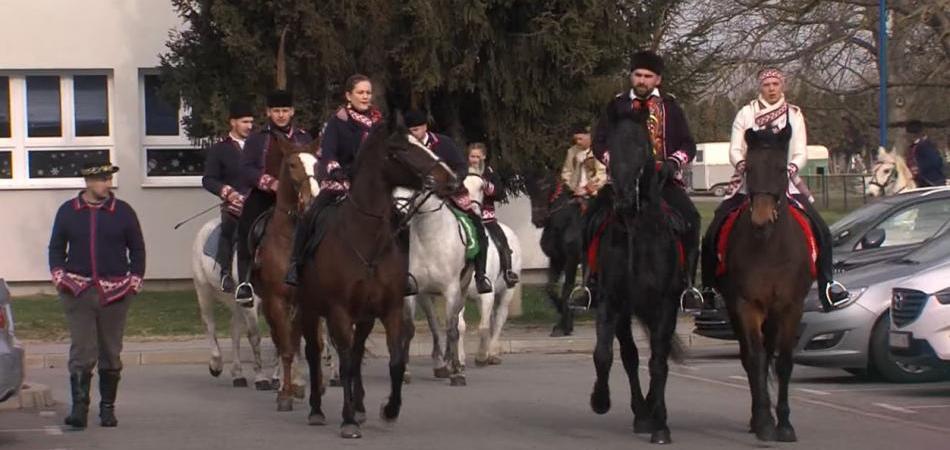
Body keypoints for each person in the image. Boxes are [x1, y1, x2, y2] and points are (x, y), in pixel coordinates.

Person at [700, 68, 849, 312]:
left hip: (784, 182)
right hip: (751, 181)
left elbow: (800, 151)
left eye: (775, 84)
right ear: (761, 87)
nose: (771, 88)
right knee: (714, 228)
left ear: (782, 86)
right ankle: (706, 289)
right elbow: (735, 148)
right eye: (767, 84)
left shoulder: (794, 115)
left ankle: (827, 286)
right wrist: (743, 165)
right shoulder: (746, 113)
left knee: (821, 229)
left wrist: (789, 169)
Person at [590, 50, 702, 306]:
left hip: (662, 182)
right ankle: (590, 282)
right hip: (622, 183)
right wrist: (615, 162)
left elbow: (688, 144)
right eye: (637, 75)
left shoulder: (670, 107)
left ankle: (688, 286)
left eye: (648, 76)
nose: (642, 80)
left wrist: (673, 162)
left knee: (692, 219)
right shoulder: (616, 105)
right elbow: (599, 142)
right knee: (592, 220)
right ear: (631, 76)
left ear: (657, 80)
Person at [48, 160, 146, 429]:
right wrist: (59, 277)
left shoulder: (123, 212)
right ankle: (79, 409)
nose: (107, 183)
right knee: (82, 351)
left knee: (111, 351)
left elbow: (137, 249)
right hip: (77, 290)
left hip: (115, 292)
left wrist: (135, 280)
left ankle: (107, 408)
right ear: (89, 182)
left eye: (108, 178)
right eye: (102, 179)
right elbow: (56, 248)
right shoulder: (68, 211)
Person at [284, 75, 399, 289]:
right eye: (360, 92)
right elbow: (327, 153)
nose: (365, 96)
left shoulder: (379, 123)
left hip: (370, 187)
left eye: (368, 92)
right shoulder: (337, 122)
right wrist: (335, 170)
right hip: (339, 183)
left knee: (399, 217)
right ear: (348, 95)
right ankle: (295, 265)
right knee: (310, 216)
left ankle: (402, 271)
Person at [234, 90, 312, 305]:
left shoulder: (304, 137)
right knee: (246, 227)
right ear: (268, 112)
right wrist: (270, 183)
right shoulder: (257, 139)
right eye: (276, 111)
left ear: (292, 112)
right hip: (264, 196)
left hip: (298, 196)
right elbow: (246, 169)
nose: (281, 115)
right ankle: (245, 283)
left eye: (285, 110)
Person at [201, 101, 254, 293]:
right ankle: (225, 273)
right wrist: (228, 192)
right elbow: (208, 179)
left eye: (251, 122)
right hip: (234, 206)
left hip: (259, 202)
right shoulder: (220, 149)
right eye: (244, 122)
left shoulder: (259, 146)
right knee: (230, 228)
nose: (249, 126)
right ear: (233, 122)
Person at [468, 142, 519, 287]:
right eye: (472, 156)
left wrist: (486, 185)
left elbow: (500, 193)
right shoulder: (463, 171)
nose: (475, 160)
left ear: (483, 156)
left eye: (478, 156)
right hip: (466, 214)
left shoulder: (490, 173)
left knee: (501, 240)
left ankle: (508, 271)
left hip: (486, 215)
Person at [560, 124, 607, 199]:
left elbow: (602, 174)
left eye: (580, 139)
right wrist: (572, 187)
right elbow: (566, 172)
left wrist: (587, 189)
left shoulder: (597, 150)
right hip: (575, 193)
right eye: (575, 139)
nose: (578, 142)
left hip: (594, 194)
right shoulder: (572, 151)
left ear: (589, 136)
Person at [905, 120, 946, 187]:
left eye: (908, 134)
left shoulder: (926, 146)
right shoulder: (912, 147)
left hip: (931, 181)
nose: (906, 137)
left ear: (913, 134)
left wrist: (918, 167)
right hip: (918, 180)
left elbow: (936, 161)